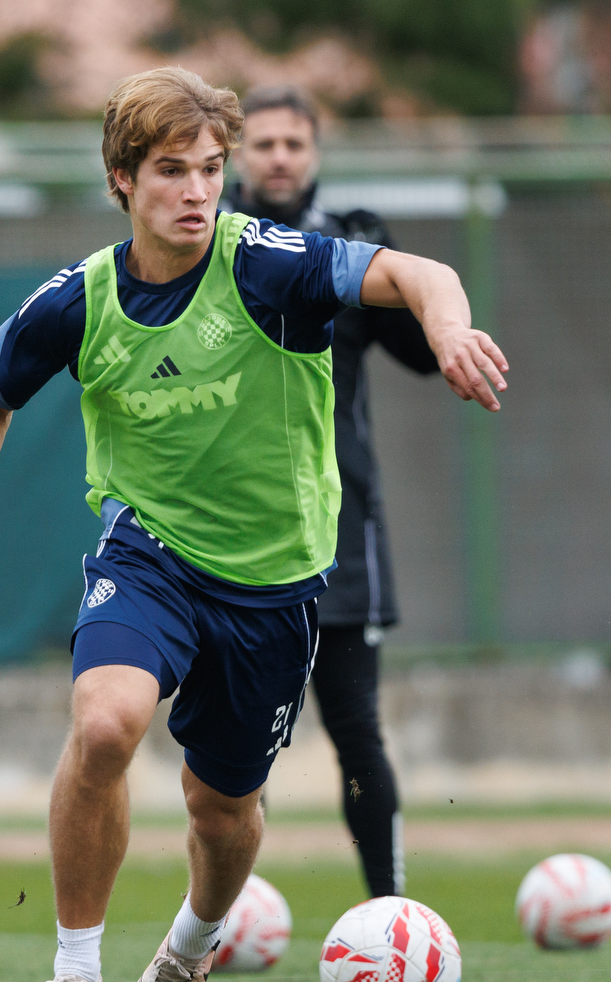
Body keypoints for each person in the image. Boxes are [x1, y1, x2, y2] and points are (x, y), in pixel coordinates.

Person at [0, 67, 508, 982]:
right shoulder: (81, 298)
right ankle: (73, 973)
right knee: (104, 723)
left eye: (208, 168)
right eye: (170, 170)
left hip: (275, 582)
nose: (196, 191)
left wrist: (447, 331)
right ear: (122, 178)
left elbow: (422, 275)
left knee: (222, 809)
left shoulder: (269, 265)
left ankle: (190, 945)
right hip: (147, 552)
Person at [221, 85, 438, 900]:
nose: (279, 158)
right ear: (239, 156)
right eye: (264, 144)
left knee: (356, 732)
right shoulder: (205, 244)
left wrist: (395, 269)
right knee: (234, 744)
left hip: (338, 535)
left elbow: (423, 357)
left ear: (314, 155)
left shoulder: (348, 249)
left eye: (294, 144)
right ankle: (222, 912)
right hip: (229, 534)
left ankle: (389, 914)